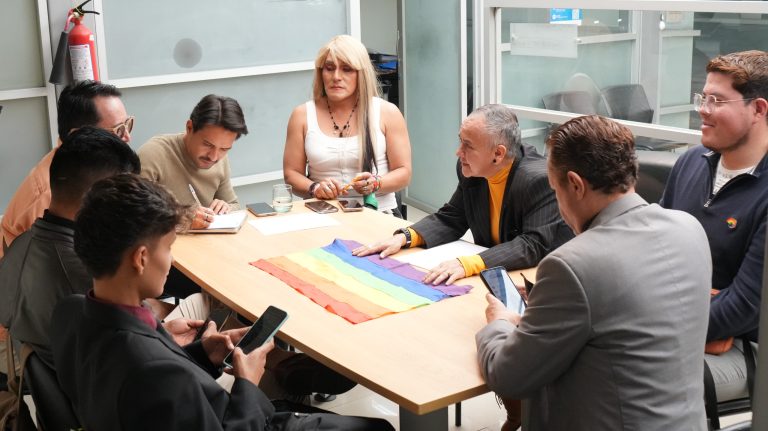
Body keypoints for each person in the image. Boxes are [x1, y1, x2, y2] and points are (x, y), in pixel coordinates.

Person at [50, 173, 393, 431]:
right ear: (141, 258)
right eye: (168, 247)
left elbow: (153, 394)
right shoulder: (154, 369)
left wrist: (202, 353)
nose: (170, 259)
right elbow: (161, 382)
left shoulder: (70, 314)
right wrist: (247, 382)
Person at [476, 115, 711, 430]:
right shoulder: (690, 228)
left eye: (555, 190)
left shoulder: (570, 265)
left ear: (575, 184)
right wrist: (544, 312)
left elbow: (508, 377)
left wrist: (500, 323)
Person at [354, 104, 572, 285]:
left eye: (468, 146)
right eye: (461, 141)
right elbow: (453, 217)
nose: (458, 152)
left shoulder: (538, 180)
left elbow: (531, 245)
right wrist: (404, 237)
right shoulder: (473, 169)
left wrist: (468, 264)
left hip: (544, 282)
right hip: (496, 276)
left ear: (498, 153)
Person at [660, 50, 768, 405]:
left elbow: (744, 306)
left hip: (744, 346)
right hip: (675, 319)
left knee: (628, 377)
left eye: (717, 101)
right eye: (702, 98)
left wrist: (652, 326)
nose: (703, 110)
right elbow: (653, 246)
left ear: (758, 109)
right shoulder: (691, 162)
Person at [0, 127, 141, 368]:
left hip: (42, 374)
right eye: (127, 195)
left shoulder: (20, 245)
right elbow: (133, 354)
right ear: (104, 198)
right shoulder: (91, 274)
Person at [1, 80, 133, 256]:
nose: (127, 138)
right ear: (79, 136)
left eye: (128, 124)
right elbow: (53, 262)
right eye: (118, 130)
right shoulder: (52, 194)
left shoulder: (86, 166)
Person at [283, 34, 411, 215]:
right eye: (329, 68)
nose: (336, 77)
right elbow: (291, 174)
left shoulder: (387, 112)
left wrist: (376, 183)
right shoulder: (301, 115)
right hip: (322, 213)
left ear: (361, 73)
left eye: (347, 69)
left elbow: (404, 172)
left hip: (378, 214)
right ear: (321, 73)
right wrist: (315, 188)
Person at [138, 94, 247, 230]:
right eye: (208, 144)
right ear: (189, 127)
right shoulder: (153, 154)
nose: (214, 157)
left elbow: (234, 205)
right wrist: (183, 218)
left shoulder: (219, 158)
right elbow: (135, 214)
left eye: (224, 149)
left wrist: (225, 208)